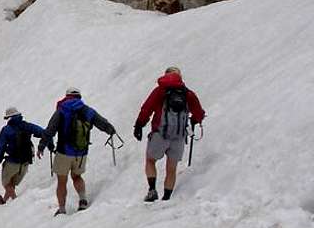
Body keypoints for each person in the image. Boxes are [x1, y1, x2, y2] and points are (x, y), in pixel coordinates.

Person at [38, 88, 117, 215]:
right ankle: (83, 200)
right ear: (79, 97)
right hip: (81, 153)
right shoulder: (87, 110)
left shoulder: (62, 110)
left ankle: (62, 209)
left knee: (62, 181)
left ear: (67, 97)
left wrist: (42, 145)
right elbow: (101, 123)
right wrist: (110, 130)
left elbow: (50, 129)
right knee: (77, 177)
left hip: (64, 152)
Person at [133, 66, 205, 202]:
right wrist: (194, 120)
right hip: (178, 137)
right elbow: (199, 113)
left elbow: (147, 108)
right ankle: (166, 198)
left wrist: (139, 125)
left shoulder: (160, 91)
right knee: (171, 168)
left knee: (150, 160)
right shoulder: (188, 94)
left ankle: (152, 189)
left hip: (160, 134)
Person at [0, 107, 49, 205]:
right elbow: (43, 132)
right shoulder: (27, 126)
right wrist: (49, 144)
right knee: (12, 184)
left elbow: (0, 146)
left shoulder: (6, 130)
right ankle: (4, 201)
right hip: (25, 162)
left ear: (9, 118)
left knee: (6, 184)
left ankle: (16, 203)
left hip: (12, 162)